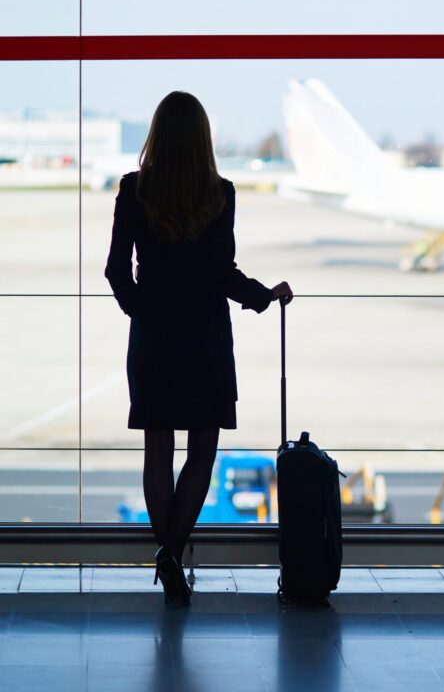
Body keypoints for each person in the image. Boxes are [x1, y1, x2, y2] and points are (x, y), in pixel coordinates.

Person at [104, 91, 293, 604]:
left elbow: (116, 271)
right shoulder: (221, 193)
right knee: (201, 452)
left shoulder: (133, 190)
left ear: (157, 135)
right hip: (206, 337)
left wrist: (141, 311)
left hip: (155, 337)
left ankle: (167, 557)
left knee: (157, 450)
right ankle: (171, 554)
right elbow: (221, 273)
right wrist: (263, 296)